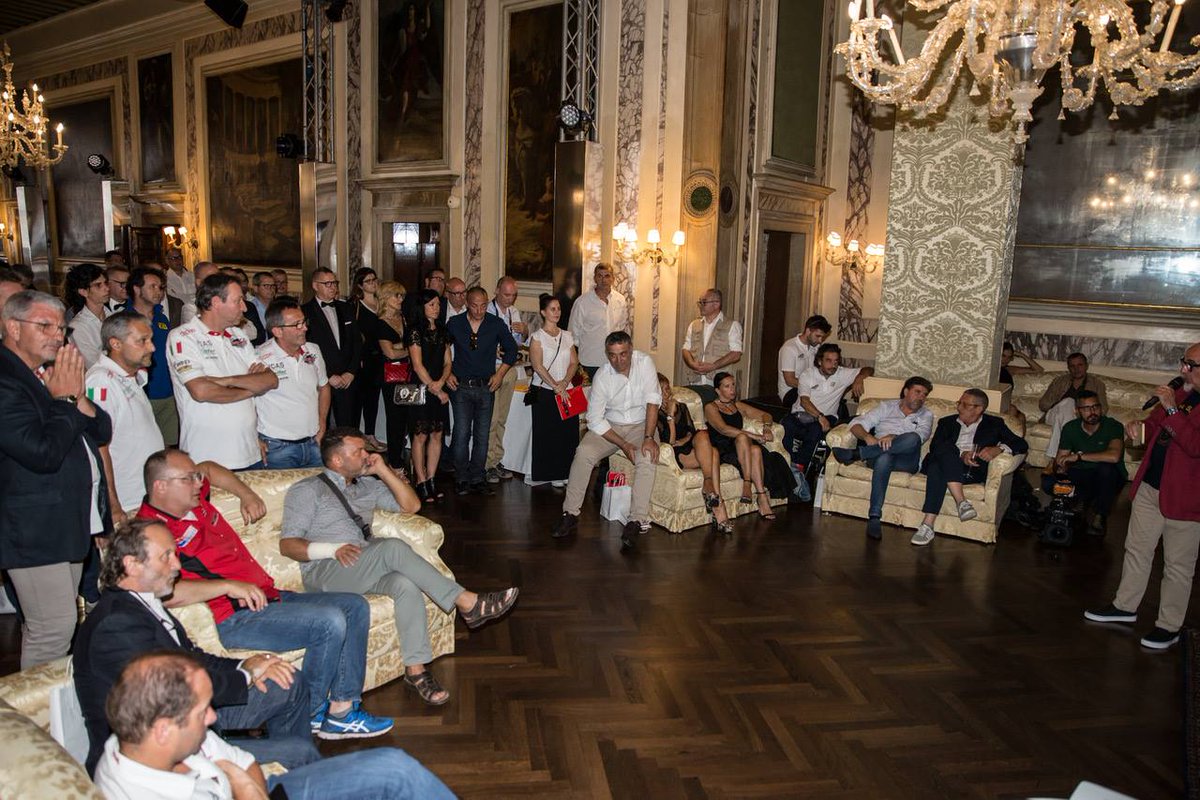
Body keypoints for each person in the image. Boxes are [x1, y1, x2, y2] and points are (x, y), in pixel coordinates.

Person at [137, 448, 394, 737]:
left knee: (354, 606)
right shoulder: (151, 534)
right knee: (329, 622)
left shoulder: (192, 502)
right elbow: (165, 594)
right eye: (189, 479)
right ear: (161, 486)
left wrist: (246, 494)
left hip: (268, 596)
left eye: (196, 478)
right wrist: (227, 586)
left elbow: (208, 467)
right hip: (233, 616)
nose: (198, 483)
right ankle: (307, 712)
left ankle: (341, 711)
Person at [280, 428, 519, 706]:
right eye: (358, 451)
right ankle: (467, 602)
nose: (366, 454)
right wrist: (332, 549)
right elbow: (288, 545)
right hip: (324, 571)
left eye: (365, 449)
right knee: (391, 547)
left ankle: (416, 671)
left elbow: (412, 505)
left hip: (359, 565)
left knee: (404, 584)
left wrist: (383, 470)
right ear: (336, 461)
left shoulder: (367, 486)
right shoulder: (308, 489)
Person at [74, 520, 318, 775]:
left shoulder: (144, 603)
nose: (177, 565)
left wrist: (246, 665)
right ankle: (289, 776)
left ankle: (286, 779)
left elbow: (195, 659)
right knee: (300, 752)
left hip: (192, 718)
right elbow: (176, 690)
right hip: (158, 754)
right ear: (132, 564)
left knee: (287, 679)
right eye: (166, 556)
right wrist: (247, 675)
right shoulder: (116, 623)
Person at [94, 651, 455, 800]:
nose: (213, 718)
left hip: (265, 790)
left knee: (394, 766)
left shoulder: (156, 733)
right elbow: (237, 770)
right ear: (162, 730)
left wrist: (246, 784)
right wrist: (243, 786)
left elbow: (244, 761)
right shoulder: (140, 793)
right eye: (202, 712)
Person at [0, 290, 112, 667]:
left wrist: (75, 397)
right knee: (52, 628)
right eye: (44, 326)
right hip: (33, 526)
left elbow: (101, 430)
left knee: (62, 624)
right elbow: (41, 453)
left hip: (65, 519)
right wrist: (63, 401)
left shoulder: (43, 372)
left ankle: (55, 701)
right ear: (13, 327)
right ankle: (35, 705)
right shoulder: (5, 379)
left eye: (61, 328)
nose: (56, 335)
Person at [1084, 344, 1200, 650]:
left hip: (1185, 497)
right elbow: (1156, 425)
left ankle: (1169, 626)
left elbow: (1194, 445)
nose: (1183, 370)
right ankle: (1125, 606)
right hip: (1151, 486)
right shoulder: (1181, 393)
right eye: (1184, 362)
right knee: (1137, 549)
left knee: (1177, 565)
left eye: (1190, 365)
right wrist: (1140, 428)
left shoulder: (1176, 400)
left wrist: (1172, 408)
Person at [550, 331, 660, 550]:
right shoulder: (602, 375)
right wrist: (623, 444)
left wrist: (648, 437)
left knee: (647, 457)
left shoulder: (645, 363)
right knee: (583, 453)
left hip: (641, 425)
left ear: (631, 350)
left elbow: (653, 401)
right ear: (607, 354)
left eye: (623, 354)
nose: (618, 361)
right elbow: (594, 419)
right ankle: (570, 513)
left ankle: (636, 520)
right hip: (611, 426)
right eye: (612, 355)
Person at [167, 274, 277, 471]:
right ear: (216, 302)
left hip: (250, 451)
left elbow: (271, 379)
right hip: (209, 456)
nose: (244, 307)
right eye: (238, 301)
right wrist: (252, 386)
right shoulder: (183, 337)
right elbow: (201, 392)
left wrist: (228, 380)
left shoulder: (238, 335)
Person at [911, 389, 1029, 547]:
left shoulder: (994, 423)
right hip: (947, 460)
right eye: (959, 403)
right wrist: (961, 454)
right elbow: (935, 447)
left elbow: (1021, 444)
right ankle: (961, 502)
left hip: (971, 470)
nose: (959, 407)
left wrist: (999, 448)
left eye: (964, 404)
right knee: (946, 450)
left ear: (979, 409)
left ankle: (927, 525)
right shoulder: (946, 422)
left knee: (937, 468)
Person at [831, 376, 935, 540]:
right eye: (918, 392)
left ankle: (858, 454)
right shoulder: (887, 407)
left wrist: (893, 437)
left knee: (913, 438)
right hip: (879, 454)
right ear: (906, 391)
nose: (921, 397)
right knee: (884, 457)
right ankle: (874, 517)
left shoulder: (926, 414)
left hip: (907, 460)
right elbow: (856, 424)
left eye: (924, 394)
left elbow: (921, 436)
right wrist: (867, 437)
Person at [87, 312, 165, 523]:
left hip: (143, 494)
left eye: (150, 340)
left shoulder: (129, 376)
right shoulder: (101, 382)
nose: (152, 347)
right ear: (116, 344)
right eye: (142, 341)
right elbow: (99, 447)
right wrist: (113, 504)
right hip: (127, 500)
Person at [446, 286, 519, 494]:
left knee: (482, 434)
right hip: (460, 386)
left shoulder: (495, 324)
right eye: (474, 306)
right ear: (467, 304)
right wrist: (447, 372)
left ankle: (477, 477)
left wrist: (500, 374)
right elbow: (442, 347)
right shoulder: (455, 323)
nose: (479, 310)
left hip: (486, 386)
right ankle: (461, 477)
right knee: (461, 433)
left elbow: (512, 349)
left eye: (483, 306)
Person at [254, 297, 330, 469]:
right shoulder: (260, 357)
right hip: (276, 447)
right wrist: (253, 437)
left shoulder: (313, 350)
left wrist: (322, 424)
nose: (304, 328)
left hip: (314, 442)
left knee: (319, 486)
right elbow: (247, 400)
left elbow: (324, 386)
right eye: (297, 325)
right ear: (277, 331)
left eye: (304, 322)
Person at [782, 343, 871, 485]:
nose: (833, 365)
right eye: (828, 361)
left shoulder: (842, 374)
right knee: (786, 425)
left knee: (816, 429)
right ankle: (785, 465)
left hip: (827, 416)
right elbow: (804, 401)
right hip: (802, 414)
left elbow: (869, 369)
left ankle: (799, 467)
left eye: (836, 361)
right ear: (819, 361)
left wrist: (859, 378)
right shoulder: (808, 374)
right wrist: (819, 416)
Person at [704, 372, 787, 521]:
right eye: (727, 386)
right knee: (745, 439)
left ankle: (761, 497)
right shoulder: (711, 407)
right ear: (717, 390)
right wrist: (754, 436)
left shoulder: (737, 405)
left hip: (741, 446)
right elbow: (724, 429)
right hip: (723, 446)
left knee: (755, 449)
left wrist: (767, 428)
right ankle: (747, 484)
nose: (732, 389)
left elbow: (766, 415)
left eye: (733, 385)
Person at [1045, 389, 1126, 536]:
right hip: (1082, 473)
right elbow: (1061, 458)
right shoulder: (1070, 428)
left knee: (1106, 469)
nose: (1092, 412)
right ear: (1077, 411)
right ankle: (1081, 500)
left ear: (1101, 408)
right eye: (1087, 408)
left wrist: (1079, 456)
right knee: (1048, 483)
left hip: (1108, 476)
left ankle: (1100, 515)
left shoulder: (1113, 426)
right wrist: (1061, 466)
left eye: (1095, 407)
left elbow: (1114, 456)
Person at [658, 373, 732, 534]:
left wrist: (685, 439)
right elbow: (669, 441)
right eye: (661, 390)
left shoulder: (682, 407)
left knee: (704, 435)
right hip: (675, 453)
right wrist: (670, 417)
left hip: (689, 445)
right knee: (713, 453)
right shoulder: (654, 413)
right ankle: (719, 506)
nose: (666, 393)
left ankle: (709, 487)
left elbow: (691, 431)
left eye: (667, 389)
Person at [406, 288, 452, 500]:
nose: (436, 308)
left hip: (438, 385)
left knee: (437, 434)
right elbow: (417, 365)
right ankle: (421, 479)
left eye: (438, 304)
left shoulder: (442, 331)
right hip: (421, 387)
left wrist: (441, 382)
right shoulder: (415, 331)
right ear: (421, 307)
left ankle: (432, 478)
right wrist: (435, 387)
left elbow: (448, 362)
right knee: (420, 435)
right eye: (431, 304)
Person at [528, 294, 579, 486]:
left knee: (568, 433)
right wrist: (555, 386)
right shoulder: (537, 337)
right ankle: (551, 473)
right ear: (543, 312)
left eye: (558, 309)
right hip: (545, 391)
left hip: (567, 390)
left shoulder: (567, 335)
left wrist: (564, 382)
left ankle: (567, 471)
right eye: (552, 309)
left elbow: (574, 362)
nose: (557, 312)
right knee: (548, 434)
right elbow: (537, 366)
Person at [302, 267, 362, 428]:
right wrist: (327, 375)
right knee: (320, 425)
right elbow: (305, 348)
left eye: (334, 283)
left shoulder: (346, 308)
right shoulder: (304, 311)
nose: (333, 287)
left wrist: (351, 372)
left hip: (347, 378)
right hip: (320, 378)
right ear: (315, 286)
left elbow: (357, 342)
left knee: (347, 426)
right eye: (327, 284)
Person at [128, 267, 180, 445]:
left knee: (168, 446)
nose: (158, 291)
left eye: (161, 287)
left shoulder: (161, 318)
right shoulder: (125, 318)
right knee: (143, 446)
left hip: (167, 391)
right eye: (152, 286)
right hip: (141, 393)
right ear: (137, 289)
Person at [485, 276, 528, 483]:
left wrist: (524, 332)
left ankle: (496, 460)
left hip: (509, 367)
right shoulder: (486, 311)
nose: (509, 299)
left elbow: (518, 342)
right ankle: (486, 463)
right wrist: (492, 349)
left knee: (502, 418)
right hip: (490, 369)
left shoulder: (514, 312)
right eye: (506, 294)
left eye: (513, 295)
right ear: (496, 291)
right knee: (491, 419)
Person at [1038, 352, 1108, 458]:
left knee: (1066, 418)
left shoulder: (1097, 384)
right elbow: (1043, 404)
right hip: (1053, 415)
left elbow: (1103, 409)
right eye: (1072, 366)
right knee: (1069, 402)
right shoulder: (1059, 381)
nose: (1076, 369)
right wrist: (1061, 403)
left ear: (1086, 366)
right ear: (1068, 368)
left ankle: (1056, 458)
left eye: (1080, 365)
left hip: (1080, 419)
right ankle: (1064, 456)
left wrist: (1081, 412)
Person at [681, 288, 743, 404]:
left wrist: (713, 366)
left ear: (716, 304)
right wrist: (692, 363)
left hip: (719, 382)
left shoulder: (732, 325)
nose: (700, 305)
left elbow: (736, 354)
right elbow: (686, 348)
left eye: (704, 302)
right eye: (700, 302)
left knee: (716, 410)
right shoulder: (694, 325)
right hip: (695, 379)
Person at [569, 263, 629, 380]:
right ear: (595, 278)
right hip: (590, 361)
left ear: (613, 278)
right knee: (591, 392)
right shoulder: (582, 302)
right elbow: (573, 334)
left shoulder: (620, 300)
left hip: (614, 361)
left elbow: (621, 327)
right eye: (600, 276)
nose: (603, 280)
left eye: (607, 276)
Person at [375, 280, 410, 469]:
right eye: (396, 295)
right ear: (385, 297)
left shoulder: (404, 318)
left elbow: (402, 348)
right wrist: (408, 350)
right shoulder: (380, 323)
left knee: (407, 416)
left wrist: (400, 348)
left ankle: (402, 455)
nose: (400, 299)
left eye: (402, 296)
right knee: (395, 418)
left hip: (408, 373)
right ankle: (395, 461)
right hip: (391, 375)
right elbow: (389, 353)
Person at [350, 267, 386, 451]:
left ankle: (371, 434)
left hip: (381, 357)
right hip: (363, 359)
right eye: (368, 281)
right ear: (360, 285)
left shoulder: (382, 303)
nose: (373, 284)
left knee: (373, 398)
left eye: (374, 279)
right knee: (360, 398)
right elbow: (353, 335)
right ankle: (356, 437)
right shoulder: (355, 305)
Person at [777, 315, 832, 407]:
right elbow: (790, 380)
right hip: (791, 392)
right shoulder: (789, 348)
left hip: (810, 389)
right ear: (808, 331)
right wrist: (814, 386)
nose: (820, 340)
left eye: (822, 337)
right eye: (818, 336)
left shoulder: (816, 346)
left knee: (835, 401)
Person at [65, 262, 110, 368]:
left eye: (106, 283)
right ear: (83, 292)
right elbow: (93, 364)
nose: (107, 288)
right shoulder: (78, 326)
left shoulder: (113, 315)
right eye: (98, 285)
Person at [163, 248, 194, 323]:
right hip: (177, 317)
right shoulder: (165, 279)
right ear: (167, 261)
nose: (177, 260)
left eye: (179, 257)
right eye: (174, 258)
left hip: (195, 314)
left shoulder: (193, 276)